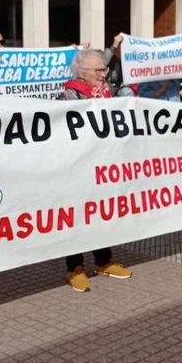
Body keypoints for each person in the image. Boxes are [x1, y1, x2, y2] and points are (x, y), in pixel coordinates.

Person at [58, 49, 132, 292]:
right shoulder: (67, 94)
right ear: (82, 72)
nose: (104, 74)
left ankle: (103, 261)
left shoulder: (107, 94)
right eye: (98, 70)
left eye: (104, 69)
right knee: (77, 218)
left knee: (101, 215)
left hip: (103, 166)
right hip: (78, 168)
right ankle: (75, 268)